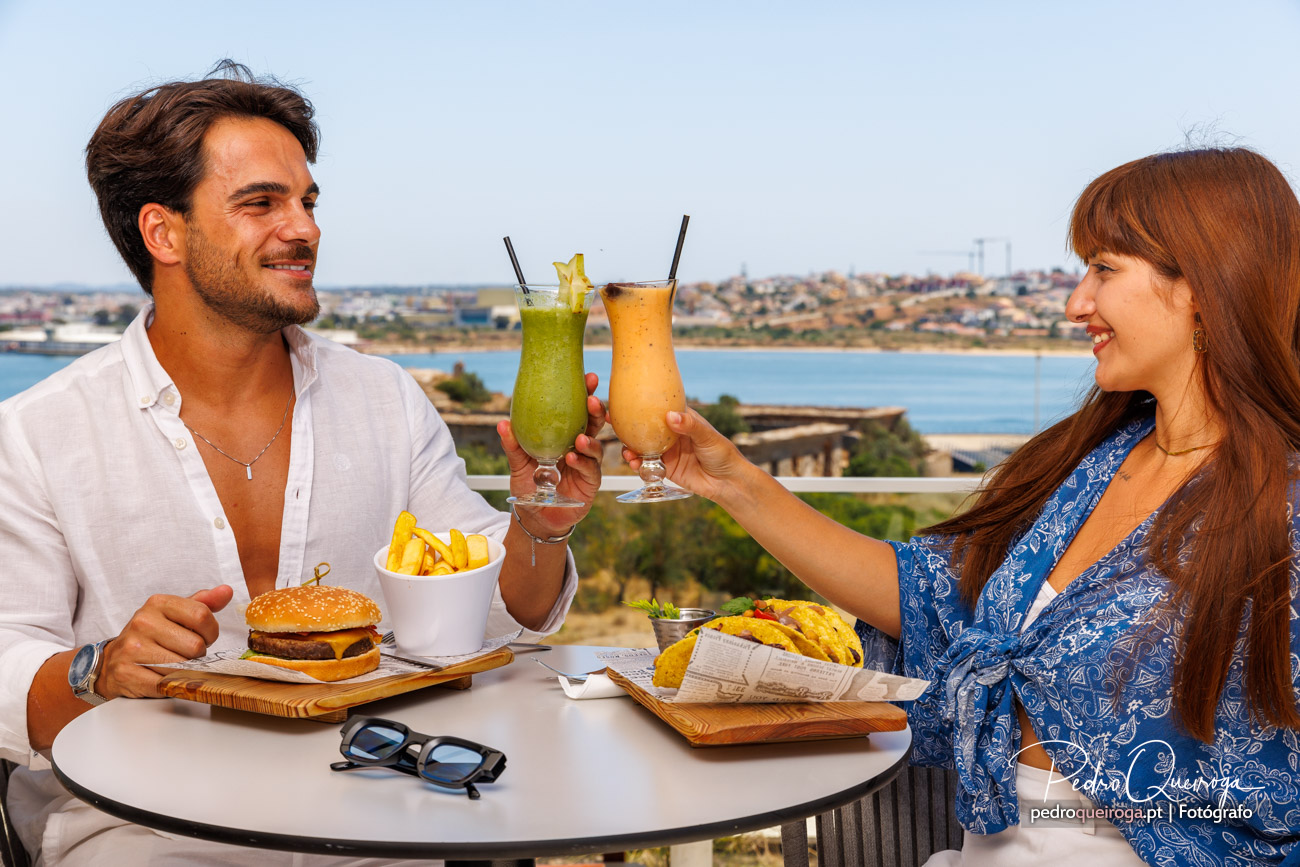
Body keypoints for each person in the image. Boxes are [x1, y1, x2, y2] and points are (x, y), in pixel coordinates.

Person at [0, 62, 605, 865]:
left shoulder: (385, 399)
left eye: (308, 201)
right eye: (262, 203)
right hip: (147, 833)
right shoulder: (38, 434)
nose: (305, 228)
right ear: (164, 233)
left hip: (378, 813)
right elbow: (8, 669)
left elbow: (491, 608)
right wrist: (98, 668)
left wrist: (541, 525)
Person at [636, 148, 1300, 865]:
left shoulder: (1282, 513)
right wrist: (733, 479)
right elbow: (925, 596)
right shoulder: (1095, 460)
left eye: (1104, 269)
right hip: (987, 844)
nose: (1078, 303)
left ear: (1202, 285)